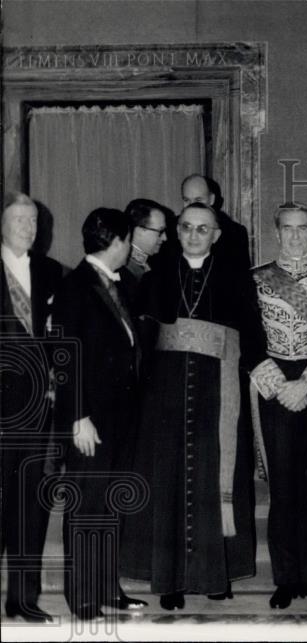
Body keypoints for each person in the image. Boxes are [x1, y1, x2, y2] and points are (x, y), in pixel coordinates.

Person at [120, 203, 263, 610]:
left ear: (216, 234)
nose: (195, 235)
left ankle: (213, 576)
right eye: (186, 228)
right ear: (177, 232)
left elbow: (250, 332)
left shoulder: (236, 276)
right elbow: (142, 334)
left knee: (210, 476)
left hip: (219, 389)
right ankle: (170, 582)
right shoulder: (157, 273)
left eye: (204, 229)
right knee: (169, 480)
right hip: (165, 390)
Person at [50, 207, 147, 619]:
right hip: (89, 418)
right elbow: (64, 356)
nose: (133, 246)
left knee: (111, 505)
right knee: (87, 506)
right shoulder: (75, 287)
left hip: (119, 416)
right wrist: (77, 417)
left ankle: (108, 587)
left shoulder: (117, 284)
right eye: (130, 238)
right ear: (118, 241)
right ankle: (83, 595)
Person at [249, 203, 307, 610]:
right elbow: (248, 337)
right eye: (288, 228)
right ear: (277, 231)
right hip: (273, 387)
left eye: (304, 229)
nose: (296, 236)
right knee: (282, 489)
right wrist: (281, 385)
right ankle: (285, 578)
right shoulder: (255, 279)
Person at [0, 192, 62, 623]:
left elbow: (61, 338)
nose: (28, 227)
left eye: (34, 220)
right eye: (20, 220)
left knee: (32, 506)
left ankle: (22, 599)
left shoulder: (52, 272)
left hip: (40, 411)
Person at [153, 174, 252, 273]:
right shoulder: (171, 228)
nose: (192, 205)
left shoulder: (234, 232)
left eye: (198, 200)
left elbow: (241, 274)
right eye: (186, 200)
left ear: (212, 199)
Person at [124, 198, 170, 279]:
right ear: (139, 231)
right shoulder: (123, 270)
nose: (165, 238)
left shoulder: (155, 262)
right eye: (160, 231)